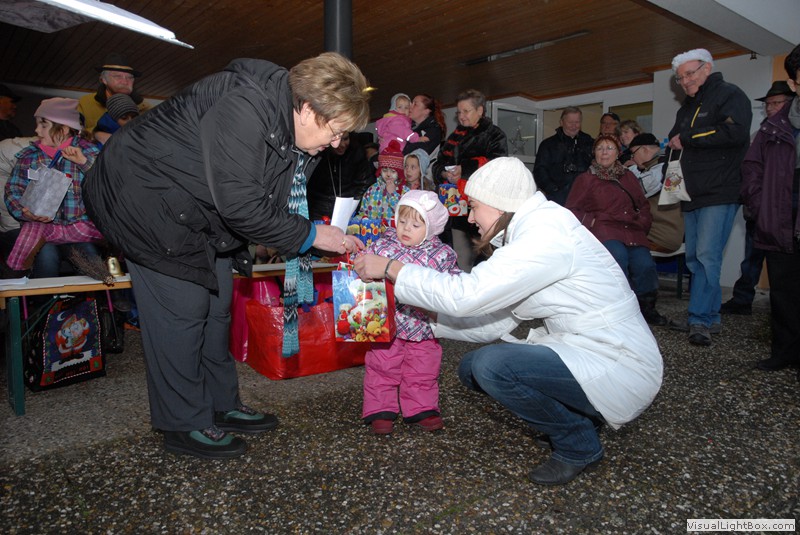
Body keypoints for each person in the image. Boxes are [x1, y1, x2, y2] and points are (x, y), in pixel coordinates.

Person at [83, 52, 371, 460]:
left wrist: (315, 230)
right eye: (337, 131)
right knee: (183, 310)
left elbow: (272, 197)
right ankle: (182, 422)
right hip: (143, 200)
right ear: (308, 109)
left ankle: (220, 404)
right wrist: (309, 234)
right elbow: (241, 204)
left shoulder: (299, 131)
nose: (338, 143)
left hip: (200, 211)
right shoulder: (244, 105)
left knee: (218, 306)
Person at [353, 157, 662, 486]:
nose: (470, 218)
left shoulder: (543, 237)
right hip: (588, 349)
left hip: (619, 361)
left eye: (474, 206)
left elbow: (467, 295)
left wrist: (392, 269)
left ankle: (577, 443)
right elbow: (495, 320)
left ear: (498, 204)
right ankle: (578, 414)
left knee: (492, 367)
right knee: (472, 368)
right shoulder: (535, 232)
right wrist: (432, 318)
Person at [665, 48, 752, 346]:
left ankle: (699, 318)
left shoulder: (730, 94)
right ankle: (708, 316)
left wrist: (687, 138)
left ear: (707, 68)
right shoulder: (686, 108)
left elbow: (735, 132)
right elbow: (675, 140)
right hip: (691, 193)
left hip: (720, 191)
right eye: (680, 78)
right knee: (695, 257)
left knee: (706, 256)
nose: (685, 81)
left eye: (689, 74)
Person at [361, 190, 459, 434]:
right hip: (386, 323)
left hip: (424, 325)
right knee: (382, 367)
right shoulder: (383, 247)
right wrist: (359, 263)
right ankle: (380, 410)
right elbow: (363, 263)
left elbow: (455, 285)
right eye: (402, 221)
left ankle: (422, 408)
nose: (406, 228)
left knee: (423, 369)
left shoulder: (441, 255)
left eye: (416, 225)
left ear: (431, 228)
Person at [740, 44, 800, 377]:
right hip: (780, 214)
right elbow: (752, 168)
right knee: (784, 289)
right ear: (794, 83)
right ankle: (784, 352)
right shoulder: (772, 127)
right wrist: (759, 206)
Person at [566, 134, 668, 326]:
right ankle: (619, 308)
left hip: (632, 229)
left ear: (618, 153)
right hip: (605, 230)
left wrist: (643, 223)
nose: (604, 152)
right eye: (600, 148)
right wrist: (592, 222)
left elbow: (643, 205)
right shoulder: (586, 179)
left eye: (609, 148)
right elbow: (572, 210)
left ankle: (647, 309)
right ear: (594, 153)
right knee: (617, 258)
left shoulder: (628, 177)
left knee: (645, 264)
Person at [4, 98, 103, 276]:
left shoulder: (90, 152)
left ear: (63, 129)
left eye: (43, 125)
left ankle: (102, 292)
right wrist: (24, 211)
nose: (37, 130)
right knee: (46, 257)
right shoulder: (29, 156)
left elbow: (106, 186)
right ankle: (39, 293)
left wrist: (83, 163)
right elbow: (13, 189)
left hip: (79, 228)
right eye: (37, 124)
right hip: (41, 229)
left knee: (90, 258)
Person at [722, 81, 795, 316]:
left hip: (785, 211)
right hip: (759, 211)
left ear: (789, 102)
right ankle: (742, 299)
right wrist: (756, 204)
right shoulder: (759, 134)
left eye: (776, 103)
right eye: (768, 104)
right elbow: (750, 172)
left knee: (783, 265)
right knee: (751, 258)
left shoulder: (789, 134)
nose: (770, 108)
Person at [433, 89, 508, 271]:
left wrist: (465, 170)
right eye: (459, 112)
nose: (461, 116)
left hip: (484, 206)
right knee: (456, 252)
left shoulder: (495, 135)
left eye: (466, 111)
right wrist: (444, 173)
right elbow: (438, 164)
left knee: (483, 255)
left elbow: (498, 166)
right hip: (454, 205)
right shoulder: (454, 136)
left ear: (480, 111)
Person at [628, 133, 684, 254]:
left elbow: (634, 192)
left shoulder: (662, 167)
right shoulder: (663, 163)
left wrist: (627, 171)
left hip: (660, 237)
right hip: (667, 234)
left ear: (644, 149)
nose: (633, 159)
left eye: (633, 154)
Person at [533, 106, 594, 206]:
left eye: (577, 122)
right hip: (556, 199)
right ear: (561, 122)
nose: (574, 126)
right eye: (570, 122)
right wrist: (553, 190)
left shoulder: (590, 143)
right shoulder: (548, 144)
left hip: (585, 198)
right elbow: (539, 171)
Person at [306, 131, 371, 221]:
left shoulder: (357, 153)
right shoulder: (317, 155)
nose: (342, 144)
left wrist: (352, 207)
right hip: (318, 210)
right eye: (338, 140)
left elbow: (363, 184)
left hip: (348, 210)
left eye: (345, 139)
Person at [77, 53, 150, 133]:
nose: (125, 81)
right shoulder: (85, 102)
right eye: (117, 76)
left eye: (130, 77)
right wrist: (96, 133)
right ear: (103, 80)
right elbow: (74, 133)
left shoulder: (146, 108)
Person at [356, 140, 407, 221]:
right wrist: (358, 221)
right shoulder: (372, 190)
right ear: (380, 170)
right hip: (372, 228)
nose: (388, 174)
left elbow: (405, 214)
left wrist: (393, 194)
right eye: (384, 170)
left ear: (399, 173)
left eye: (393, 171)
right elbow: (363, 212)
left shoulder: (404, 191)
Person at [403, 93, 446, 158]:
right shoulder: (406, 126)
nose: (410, 107)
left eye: (415, 104)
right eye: (411, 103)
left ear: (426, 111)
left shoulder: (434, 130)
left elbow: (417, 152)